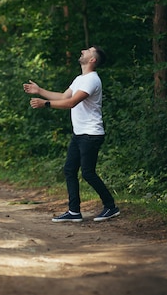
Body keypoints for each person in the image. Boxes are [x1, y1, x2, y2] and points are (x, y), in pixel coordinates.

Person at [23, 46, 120, 223]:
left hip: (91, 134)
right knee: (69, 170)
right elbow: (62, 96)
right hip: (80, 134)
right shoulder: (79, 79)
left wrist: (45, 104)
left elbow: (71, 103)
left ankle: (111, 207)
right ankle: (74, 211)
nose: (83, 50)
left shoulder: (92, 80)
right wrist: (40, 90)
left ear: (92, 60)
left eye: (89, 50)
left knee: (88, 173)